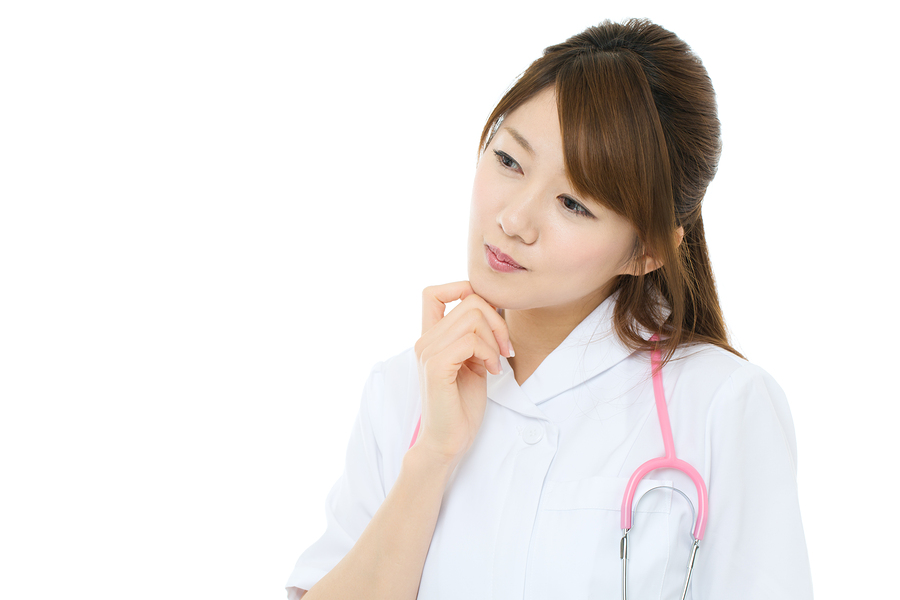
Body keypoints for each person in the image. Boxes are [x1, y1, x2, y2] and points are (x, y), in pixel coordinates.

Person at [286, 18, 813, 599]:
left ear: (646, 251)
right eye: (509, 161)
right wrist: (431, 458)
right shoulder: (401, 392)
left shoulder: (721, 405)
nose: (513, 219)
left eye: (573, 203)